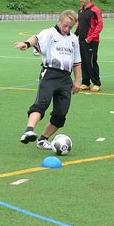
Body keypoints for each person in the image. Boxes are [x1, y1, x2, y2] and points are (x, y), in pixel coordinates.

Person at [14, 10, 81, 150]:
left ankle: (43, 139)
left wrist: (77, 81)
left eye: (70, 27)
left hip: (65, 79)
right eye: (65, 25)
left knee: (61, 114)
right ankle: (28, 131)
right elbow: (36, 39)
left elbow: (77, 62)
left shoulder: (74, 39)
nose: (67, 29)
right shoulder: (49, 33)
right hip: (50, 74)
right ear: (60, 21)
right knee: (41, 104)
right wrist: (26, 44)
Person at [75, 0, 104, 92]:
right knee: (83, 62)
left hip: (91, 41)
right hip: (81, 41)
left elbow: (100, 25)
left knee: (91, 62)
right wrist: (75, 35)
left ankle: (96, 83)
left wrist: (90, 38)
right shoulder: (80, 10)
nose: (80, 0)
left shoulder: (95, 10)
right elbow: (79, 25)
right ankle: (86, 82)